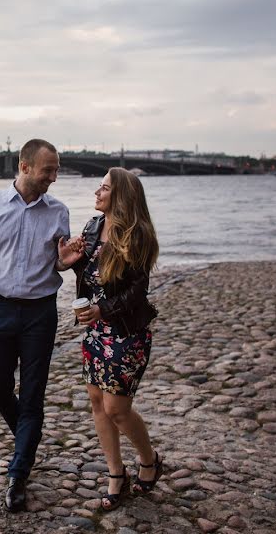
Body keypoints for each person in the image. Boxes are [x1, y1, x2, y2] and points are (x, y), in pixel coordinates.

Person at [0, 138, 75, 512]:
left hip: (41, 313)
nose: (54, 177)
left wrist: (65, 261)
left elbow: (57, 263)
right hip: (2, 310)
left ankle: (18, 473)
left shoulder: (58, 211)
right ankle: (29, 436)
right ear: (25, 167)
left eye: (56, 170)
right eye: (49, 170)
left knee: (32, 394)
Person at [57, 167, 162, 511]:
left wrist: (103, 310)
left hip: (126, 332)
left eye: (102, 188)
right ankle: (117, 474)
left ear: (120, 196)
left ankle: (148, 460)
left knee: (118, 407)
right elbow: (91, 273)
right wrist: (68, 262)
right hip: (95, 331)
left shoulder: (138, 234)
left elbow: (136, 291)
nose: (96, 193)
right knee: (97, 402)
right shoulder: (92, 226)